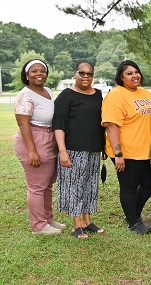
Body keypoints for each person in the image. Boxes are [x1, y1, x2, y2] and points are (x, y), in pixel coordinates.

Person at [101, 60, 151, 235]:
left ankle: (133, 213)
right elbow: (111, 126)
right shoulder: (116, 96)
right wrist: (118, 154)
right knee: (129, 186)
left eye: (136, 72)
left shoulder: (145, 93)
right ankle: (133, 222)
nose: (135, 76)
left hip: (146, 150)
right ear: (121, 77)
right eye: (129, 73)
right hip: (127, 151)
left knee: (149, 183)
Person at [53, 61, 106, 239]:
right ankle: (76, 225)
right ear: (75, 74)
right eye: (82, 73)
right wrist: (62, 151)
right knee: (74, 186)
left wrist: (103, 145)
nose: (86, 76)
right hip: (73, 149)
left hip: (94, 149)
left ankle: (87, 221)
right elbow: (58, 125)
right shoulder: (66, 96)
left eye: (89, 74)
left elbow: (101, 123)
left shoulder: (98, 94)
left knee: (90, 186)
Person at [14, 59, 66, 235]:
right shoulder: (25, 95)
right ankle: (38, 226)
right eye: (34, 71)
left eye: (42, 71)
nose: (39, 74)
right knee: (37, 186)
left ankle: (48, 219)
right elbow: (23, 125)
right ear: (27, 75)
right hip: (34, 139)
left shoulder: (48, 92)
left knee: (47, 184)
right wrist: (32, 150)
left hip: (49, 138)